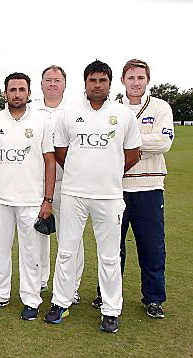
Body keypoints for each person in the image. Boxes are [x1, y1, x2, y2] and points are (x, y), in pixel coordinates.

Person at [45, 60, 141, 333]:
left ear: (110, 83)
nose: (97, 85)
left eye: (102, 81)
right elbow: (61, 151)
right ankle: (60, 301)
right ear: (85, 83)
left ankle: (111, 309)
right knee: (66, 251)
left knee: (109, 256)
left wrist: (108, 172)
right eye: (92, 81)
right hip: (74, 193)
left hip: (109, 196)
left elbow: (133, 154)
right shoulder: (69, 113)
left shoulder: (123, 115)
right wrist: (81, 172)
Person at [91, 59, 174, 318]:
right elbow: (107, 143)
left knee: (151, 246)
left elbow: (163, 143)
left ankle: (153, 298)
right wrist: (135, 143)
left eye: (140, 77)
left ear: (147, 80)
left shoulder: (160, 107)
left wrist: (129, 141)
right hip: (116, 187)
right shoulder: (113, 109)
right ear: (122, 80)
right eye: (131, 78)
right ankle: (106, 294)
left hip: (149, 187)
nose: (136, 82)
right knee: (112, 247)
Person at [0, 72, 56, 321]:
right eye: (12, 90)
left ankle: (32, 299)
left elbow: (49, 161)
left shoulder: (41, 121)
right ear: (5, 93)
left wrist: (48, 199)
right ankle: (0, 293)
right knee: (0, 249)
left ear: (29, 93)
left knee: (31, 252)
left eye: (21, 89)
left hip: (31, 200)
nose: (17, 94)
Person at [32, 65, 84, 304]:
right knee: (38, 235)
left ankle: (70, 286)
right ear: (41, 84)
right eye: (48, 80)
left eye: (57, 80)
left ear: (64, 84)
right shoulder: (31, 110)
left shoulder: (75, 110)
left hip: (69, 182)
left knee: (70, 238)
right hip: (35, 183)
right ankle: (40, 280)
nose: (52, 84)